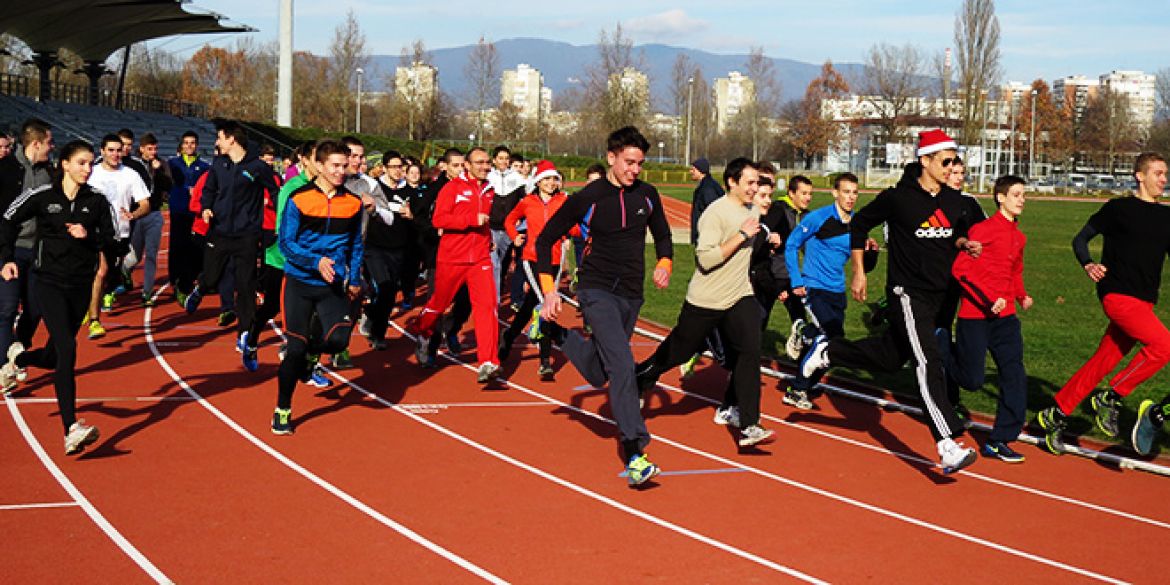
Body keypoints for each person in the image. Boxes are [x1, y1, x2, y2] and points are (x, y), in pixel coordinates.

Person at [794, 129, 982, 474]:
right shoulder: (897, 198)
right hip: (906, 293)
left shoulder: (952, 200)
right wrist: (860, 272)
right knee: (928, 361)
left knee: (890, 358)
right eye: (946, 160)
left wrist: (962, 244)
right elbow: (860, 225)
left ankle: (828, 352)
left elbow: (951, 233)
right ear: (925, 160)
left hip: (938, 295)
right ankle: (946, 444)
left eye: (955, 160)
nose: (952, 166)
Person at [537, 126, 673, 487]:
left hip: (631, 294)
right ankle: (635, 452)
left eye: (639, 163)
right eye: (628, 162)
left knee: (600, 373)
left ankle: (552, 332)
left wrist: (665, 262)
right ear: (612, 158)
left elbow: (662, 233)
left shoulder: (648, 195)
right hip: (596, 290)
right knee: (624, 364)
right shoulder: (590, 196)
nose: (634, 170)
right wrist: (550, 291)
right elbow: (545, 238)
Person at [634, 158, 775, 447]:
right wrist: (742, 235)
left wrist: (768, 239)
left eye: (757, 183)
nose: (754, 188)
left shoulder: (753, 211)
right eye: (749, 182)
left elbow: (748, 253)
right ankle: (643, 376)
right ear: (732, 182)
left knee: (750, 351)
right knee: (678, 352)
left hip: (739, 295)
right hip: (707, 299)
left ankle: (750, 424)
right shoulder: (715, 213)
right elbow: (706, 258)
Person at [1039, 152, 1170, 456]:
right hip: (1117, 296)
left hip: (1144, 301)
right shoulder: (1118, 209)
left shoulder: (1166, 218)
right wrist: (1087, 264)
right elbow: (1080, 239)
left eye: (1165, 174)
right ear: (1140, 176)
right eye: (1158, 173)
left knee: (1103, 361)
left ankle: (1055, 414)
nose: (1163, 179)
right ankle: (1110, 397)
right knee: (1164, 347)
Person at [0, 140, 115, 454]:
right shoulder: (43, 196)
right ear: (64, 164)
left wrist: (88, 235)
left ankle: (17, 358)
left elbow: (112, 240)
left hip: (80, 286)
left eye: (91, 164)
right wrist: (6, 257)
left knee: (53, 357)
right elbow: (8, 219)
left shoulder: (98, 201)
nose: (87, 169)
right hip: (47, 282)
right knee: (67, 347)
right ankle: (71, 428)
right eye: (81, 163)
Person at [271, 140, 364, 435]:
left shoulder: (353, 203)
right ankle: (283, 408)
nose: (340, 171)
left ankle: (312, 358)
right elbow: (286, 243)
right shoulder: (299, 199)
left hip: (332, 284)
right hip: (299, 281)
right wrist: (315, 261)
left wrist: (355, 279)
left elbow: (356, 245)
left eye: (343, 165)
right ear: (320, 166)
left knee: (339, 341)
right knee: (295, 348)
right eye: (334, 166)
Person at [947, 175, 1031, 463]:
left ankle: (999, 440)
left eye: (1023, 195)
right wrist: (986, 300)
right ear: (1000, 198)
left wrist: (1021, 296)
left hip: (1006, 318)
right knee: (972, 380)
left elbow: (1015, 271)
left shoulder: (1019, 237)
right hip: (975, 316)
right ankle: (941, 346)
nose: (1022, 200)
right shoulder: (982, 230)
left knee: (1014, 375)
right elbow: (961, 271)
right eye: (1017, 194)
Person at [185, 120, 279, 357]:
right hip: (220, 231)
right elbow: (209, 190)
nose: (216, 142)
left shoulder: (258, 167)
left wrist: (276, 210)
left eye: (219, 138)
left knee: (246, 285)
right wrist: (206, 207)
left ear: (231, 139)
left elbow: (275, 190)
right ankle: (200, 289)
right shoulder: (219, 164)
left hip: (247, 234)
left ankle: (244, 334)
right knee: (213, 276)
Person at [410, 147, 501, 382]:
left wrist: (488, 239)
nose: (485, 166)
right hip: (452, 257)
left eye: (487, 162)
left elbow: (485, 222)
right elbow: (439, 219)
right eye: (479, 162)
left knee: (487, 306)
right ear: (467, 166)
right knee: (439, 304)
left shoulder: (489, 189)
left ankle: (489, 362)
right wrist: (470, 220)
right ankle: (423, 329)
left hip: (479, 258)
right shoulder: (452, 188)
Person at [781, 173, 862, 409]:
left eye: (854, 192)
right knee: (831, 338)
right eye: (846, 192)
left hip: (837, 290)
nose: (850, 197)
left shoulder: (856, 223)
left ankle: (805, 335)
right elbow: (791, 244)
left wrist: (870, 251)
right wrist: (796, 280)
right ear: (835, 193)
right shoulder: (819, 218)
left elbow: (861, 262)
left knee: (831, 344)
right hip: (814, 287)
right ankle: (797, 389)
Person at [498, 160, 574, 379]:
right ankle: (545, 361)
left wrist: (579, 233)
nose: (551, 183)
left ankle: (510, 335)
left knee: (533, 302)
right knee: (546, 302)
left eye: (555, 179)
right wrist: (516, 237)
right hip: (531, 258)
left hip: (555, 259)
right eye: (547, 179)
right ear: (538, 181)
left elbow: (575, 225)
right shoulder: (528, 202)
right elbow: (510, 220)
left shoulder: (564, 201)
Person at [0, 118, 53, 377]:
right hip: (9, 250)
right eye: (49, 143)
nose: (51, 147)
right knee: (8, 307)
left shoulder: (51, 173)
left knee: (35, 308)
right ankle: (3, 365)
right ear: (36, 143)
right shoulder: (5, 169)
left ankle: (17, 355)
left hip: (38, 250)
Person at [87, 134, 151, 334]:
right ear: (102, 151)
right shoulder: (91, 172)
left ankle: (94, 302)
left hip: (120, 233)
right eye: (111, 150)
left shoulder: (130, 174)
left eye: (118, 150)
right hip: (94, 231)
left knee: (111, 275)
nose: (115, 154)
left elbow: (145, 204)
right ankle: (94, 321)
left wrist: (133, 214)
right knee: (100, 271)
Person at [123, 133, 172, 306]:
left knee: (151, 254)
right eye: (149, 149)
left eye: (155, 148)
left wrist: (158, 171)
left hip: (154, 214)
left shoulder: (161, 164)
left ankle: (147, 293)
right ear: (142, 148)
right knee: (134, 256)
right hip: (136, 214)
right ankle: (122, 273)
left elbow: (169, 186)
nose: (153, 152)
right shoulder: (132, 165)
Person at [167, 131, 210, 305]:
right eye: (186, 143)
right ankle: (175, 280)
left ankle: (191, 278)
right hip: (178, 210)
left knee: (194, 246)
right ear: (182, 145)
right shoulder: (172, 163)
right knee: (177, 245)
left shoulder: (204, 166)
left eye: (192, 143)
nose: (189, 146)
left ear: (197, 145)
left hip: (195, 213)